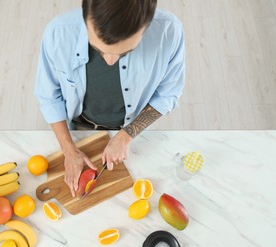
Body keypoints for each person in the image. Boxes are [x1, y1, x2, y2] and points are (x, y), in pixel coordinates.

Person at [34, 0, 185, 197]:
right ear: (86, 17)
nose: (110, 60)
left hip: (132, 130)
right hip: (77, 126)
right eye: (97, 49)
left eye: (125, 52)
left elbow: (167, 94)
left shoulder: (169, 32)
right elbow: (49, 96)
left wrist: (126, 135)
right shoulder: (59, 33)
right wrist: (69, 151)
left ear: (147, 25)